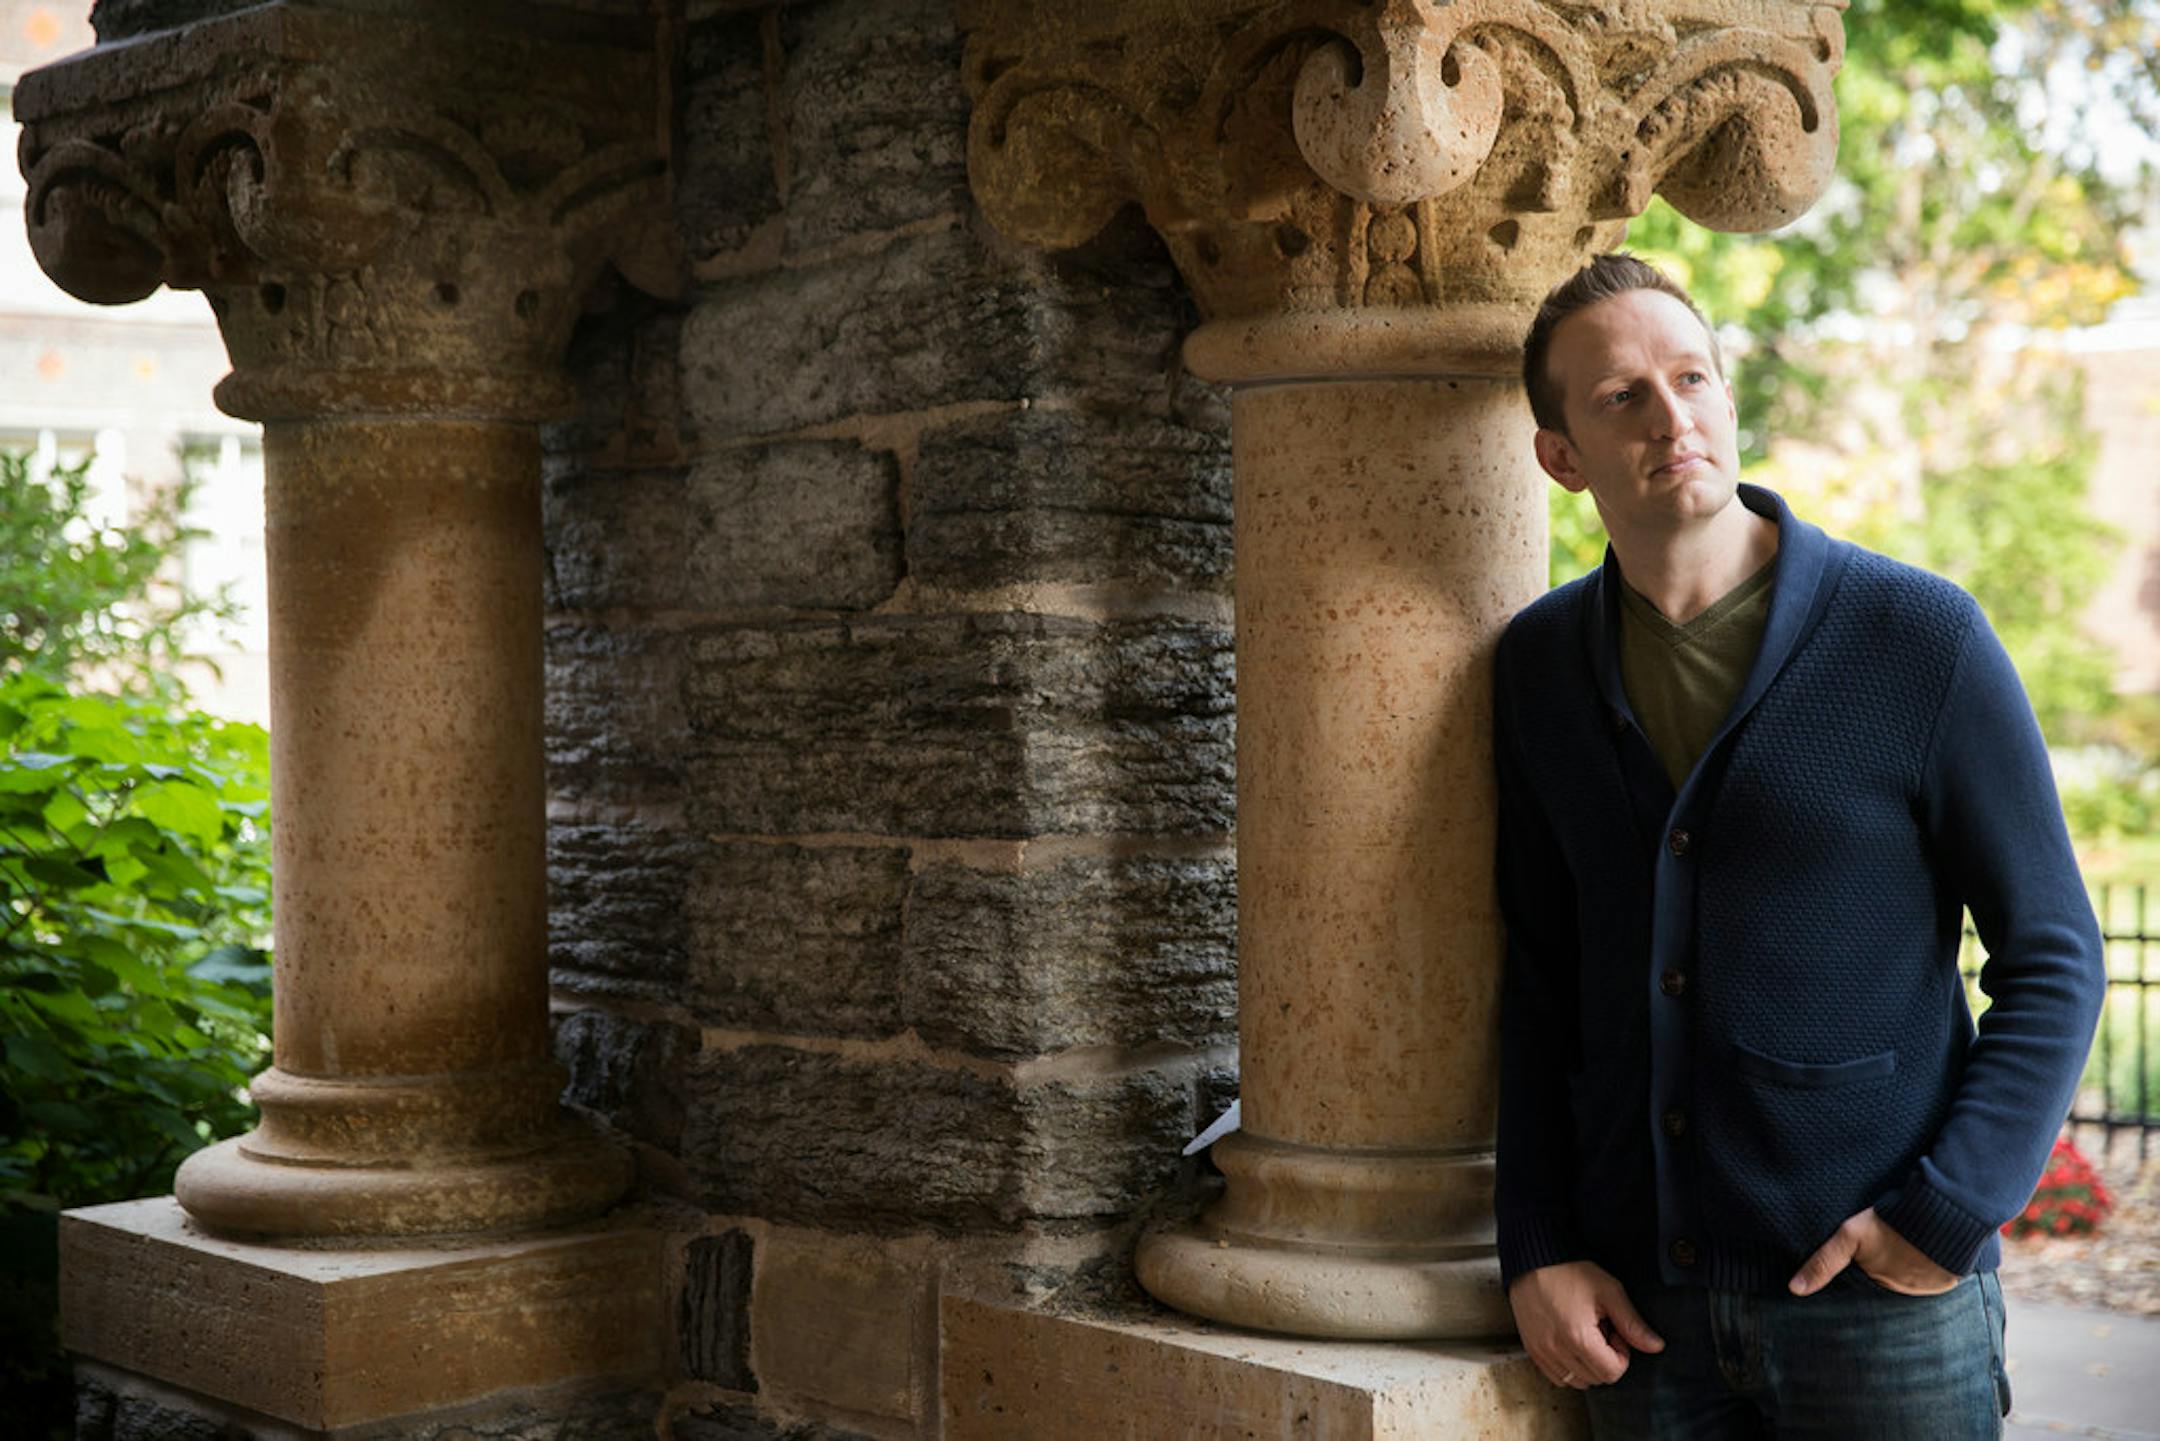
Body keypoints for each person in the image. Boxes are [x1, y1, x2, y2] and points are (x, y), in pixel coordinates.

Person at [1491, 253, 2107, 1439]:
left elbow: (2055, 952)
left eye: (1693, 377)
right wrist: (1539, 1245)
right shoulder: (1538, 669)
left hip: (1882, 1313)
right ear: (1560, 455)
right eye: (1623, 396)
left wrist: (1945, 1214)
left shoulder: (1917, 638)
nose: (1674, 416)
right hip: (1642, 1322)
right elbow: (1539, 980)